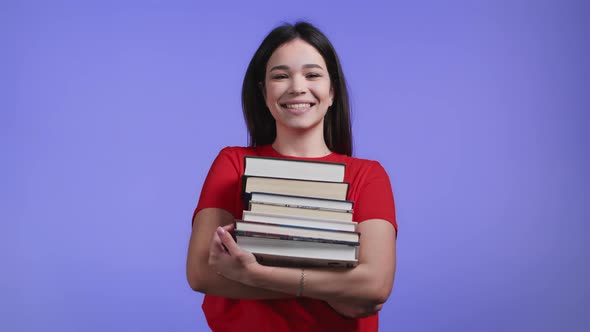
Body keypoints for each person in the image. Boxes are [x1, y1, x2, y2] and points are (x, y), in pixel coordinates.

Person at [186, 21, 397, 332]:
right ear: (263, 91)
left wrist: (252, 274)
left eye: (312, 75)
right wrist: (339, 288)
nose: (297, 87)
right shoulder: (233, 163)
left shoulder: (368, 175)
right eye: (280, 76)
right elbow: (201, 273)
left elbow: (375, 285)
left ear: (332, 91)